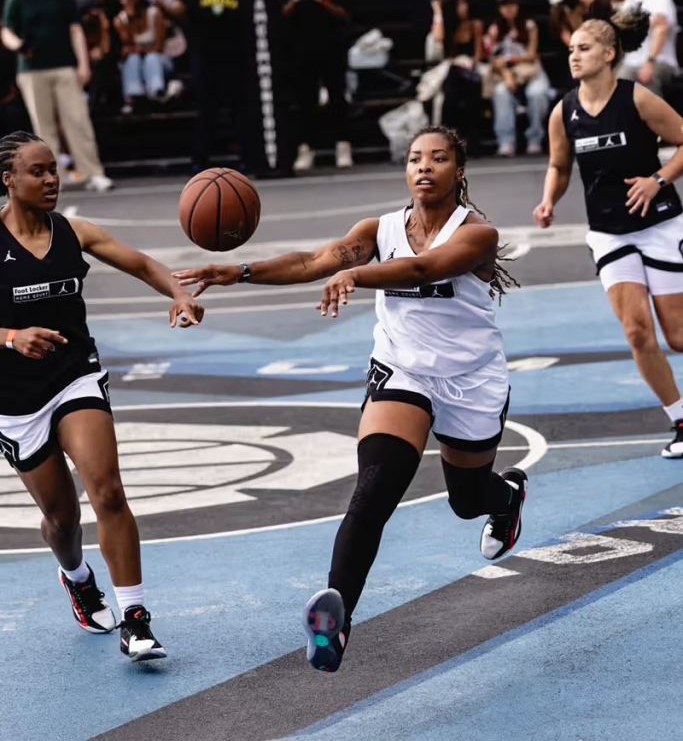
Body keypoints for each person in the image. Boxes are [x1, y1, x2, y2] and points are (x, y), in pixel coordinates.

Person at [174, 125, 526, 673]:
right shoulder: (379, 229)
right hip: (402, 370)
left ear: (460, 171)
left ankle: (505, 499)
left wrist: (356, 274)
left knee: (467, 498)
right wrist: (239, 271)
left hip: (471, 379)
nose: (424, 167)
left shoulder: (477, 233)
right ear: (405, 170)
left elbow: (422, 268)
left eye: (438, 158)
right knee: (375, 489)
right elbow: (314, 260)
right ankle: (336, 619)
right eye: (414, 159)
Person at [0, 130, 204, 660]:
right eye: (38, 172)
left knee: (108, 490)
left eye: (54, 170)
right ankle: (76, 575)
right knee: (62, 521)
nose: (51, 180)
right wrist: (10, 337)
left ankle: (136, 618)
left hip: (75, 376)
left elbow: (139, 263)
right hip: (14, 398)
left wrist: (179, 293)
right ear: (8, 180)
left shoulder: (74, 232)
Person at [533, 8, 683, 459]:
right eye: (571, 50)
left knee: (677, 335)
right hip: (609, 233)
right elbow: (560, 166)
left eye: (584, 48)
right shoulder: (565, 111)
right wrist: (548, 200)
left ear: (609, 52)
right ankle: (681, 419)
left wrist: (658, 179)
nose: (574, 57)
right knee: (638, 332)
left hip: (659, 224)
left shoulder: (636, 99)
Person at [1, 0, 113, 192]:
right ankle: (53, 179)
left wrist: (83, 63)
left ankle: (94, 172)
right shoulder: (17, 0)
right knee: (44, 127)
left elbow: (75, 31)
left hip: (64, 67)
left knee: (78, 120)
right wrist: (19, 45)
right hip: (32, 70)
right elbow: (6, 32)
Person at [156, 0, 254, 173]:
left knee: (238, 112)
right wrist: (162, 6)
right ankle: (200, 161)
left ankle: (247, 159)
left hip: (234, 59)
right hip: (205, 58)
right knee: (206, 113)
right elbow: (177, 9)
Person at [281, 0, 353, 172]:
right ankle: (306, 150)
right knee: (305, 102)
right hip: (302, 52)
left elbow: (345, 14)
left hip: (331, 49)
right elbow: (282, 14)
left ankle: (343, 147)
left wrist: (322, 1)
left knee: (337, 98)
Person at [487, 0, 551, 157]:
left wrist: (511, 59)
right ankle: (506, 141)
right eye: (504, 5)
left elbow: (531, 56)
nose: (508, 8)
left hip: (531, 71)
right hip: (507, 74)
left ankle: (535, 139)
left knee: (537, 93)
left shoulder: (529, 25)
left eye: (511, 4)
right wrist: (507, 76)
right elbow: (495, 60)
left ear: (518, 5)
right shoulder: (494, 29)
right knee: (501, 93)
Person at [429, 0, 484, 150]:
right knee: (450, 95)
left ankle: (472, 140)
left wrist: (470, 64)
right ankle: (448, 139)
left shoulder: (475, 24)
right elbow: (438, 38)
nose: (464, 7)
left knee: (472, 92)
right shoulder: (445, 26)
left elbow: (478, 53)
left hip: (469, 70)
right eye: (460, 4)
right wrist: (438, 12)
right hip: (450, 70)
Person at [618, 0, 679, 98]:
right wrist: (647, 22)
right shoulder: (631, 1)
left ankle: (656, 120)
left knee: (648, 79)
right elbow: (620, 27)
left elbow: (662, 29)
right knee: (618, 82)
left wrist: (650, 62)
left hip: (659, 61)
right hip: (630, 62)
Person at [112, 0, 168, 114]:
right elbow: (127, 47)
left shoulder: (154, 14)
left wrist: (140, 50)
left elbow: (159, 46)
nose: (126, 1)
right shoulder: (121, 19)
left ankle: (156, 92)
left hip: (160, 60)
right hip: (137, 62)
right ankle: (134, 96)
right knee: (132, 59)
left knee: (151, 58)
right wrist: (129, 22)